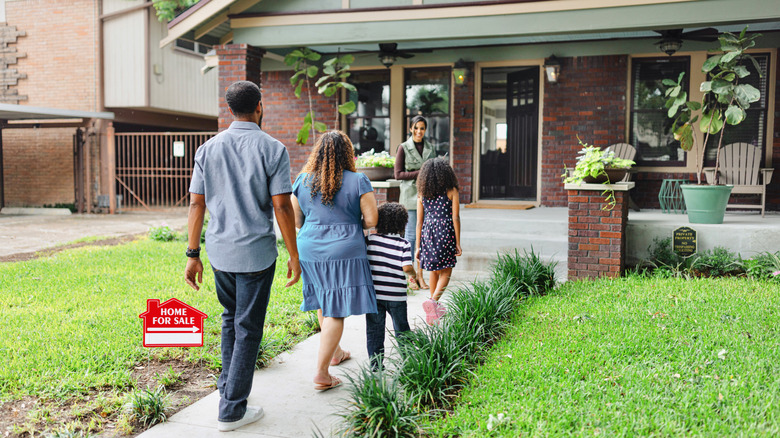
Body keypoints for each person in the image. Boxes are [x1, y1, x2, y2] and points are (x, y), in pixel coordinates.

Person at [184, 81, 301, 432]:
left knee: (230, 318)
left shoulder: (207, 149)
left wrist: (192, 254)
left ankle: (227, 390)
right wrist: (294, 255)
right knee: (247, 328)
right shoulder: (274, 149)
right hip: (256, 255)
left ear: (230, 109)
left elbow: (196, 203)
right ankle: (232, 409)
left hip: (219, 253)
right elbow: (281, 205)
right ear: (260, 107)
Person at [291, 130, 378, 390]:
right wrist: (349, 223)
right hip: (345, 250)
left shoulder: (302, 180)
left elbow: (296, 220)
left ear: (318, 153)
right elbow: (372, 220)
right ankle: (321, 373)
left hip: (309, 247)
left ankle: (336, 352)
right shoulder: (358, 180)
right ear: (347, 153)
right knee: (336, 309)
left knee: (323, 298)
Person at [365, 202, 417, 370]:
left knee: (374, 330)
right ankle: (409, 360)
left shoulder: (370, 240)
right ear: (402, 224)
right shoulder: (404, 244)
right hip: (396, 296)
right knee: (402, 328)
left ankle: (376, 364)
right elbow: (407, 267)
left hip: (375, 296)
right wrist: (413, 276)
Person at [415, 157, 462, 325]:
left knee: (434, 271)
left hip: (428, 233)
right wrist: (457, 242)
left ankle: (432, 313)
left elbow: (419, 222)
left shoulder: (422, 193)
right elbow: (455, 217)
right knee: (446, 272)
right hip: (445, 232)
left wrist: (417, 246)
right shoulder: (451, 190)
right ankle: (433, 301)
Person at [394, 115, 437, 290]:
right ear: (411, 129)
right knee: (411, 237)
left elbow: (434, 172)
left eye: (422, 128)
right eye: (416, 128)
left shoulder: (430, 148)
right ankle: (409, 275)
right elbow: (398, 174)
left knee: (425, 238)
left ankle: (421, 275)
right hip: (410, 196)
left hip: (427, 196)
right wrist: (421, 172)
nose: (419, 131)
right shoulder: (403, 148)